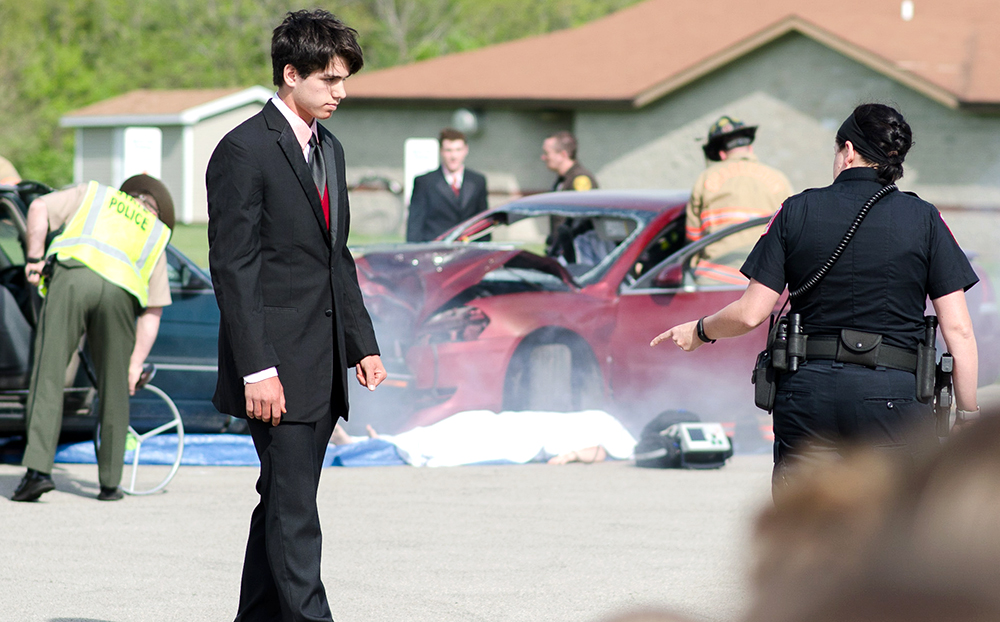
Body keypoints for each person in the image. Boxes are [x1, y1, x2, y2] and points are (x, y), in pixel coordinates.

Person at [651, 103, 980, 492]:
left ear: (849, 150)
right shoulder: (925, 218)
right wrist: (967, 412)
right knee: (892, 534)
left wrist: (700, 330)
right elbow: (957, 328)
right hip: (894, 397)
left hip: (809, 395)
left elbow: (751, 313)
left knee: (805, 534)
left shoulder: (795, 210)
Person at [206, 10, 386, 622]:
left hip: (323, 361)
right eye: (329, 80)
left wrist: (362, 343)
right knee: (295, 517)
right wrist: (258, 369)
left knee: (283, 503)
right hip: (275, 372)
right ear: (291, 73)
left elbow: (337, 256)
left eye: (344, 80)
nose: (341, 92)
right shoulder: (243, 150)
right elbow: (234, 269)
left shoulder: (329, 149)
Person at [12, 174, 174, 502]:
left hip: (73, 278)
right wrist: (135, 365)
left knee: (49, 374)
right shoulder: (156, 233)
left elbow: (39, 206)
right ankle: (110, 484)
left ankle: (38, 473)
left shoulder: (95, 195)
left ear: (128, 194)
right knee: (114, 388)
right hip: (120, 297)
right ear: (155, 210)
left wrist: (34, 257)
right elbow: (153, 312)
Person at [686, 115, 792, 285]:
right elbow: (791, 235)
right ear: (749, 148)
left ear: (721, 154)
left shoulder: (705, 179)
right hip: (762, 282)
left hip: (715, 280)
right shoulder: (779, 180)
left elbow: (693, 238)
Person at [330, 410, 636, 468]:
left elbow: (597, 450)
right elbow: (598, 450)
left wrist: (571, 455)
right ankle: (364, 443)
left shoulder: (606, 425)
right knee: (437, 442)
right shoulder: (608, 428)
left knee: (436, 441)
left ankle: (361, 442)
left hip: (509, 429)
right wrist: (572, 456)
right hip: (511, 431)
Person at [405, 128, 488, 242]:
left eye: (458, 150)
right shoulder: (425, 182)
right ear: (441, 151)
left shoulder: (477, 181)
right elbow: (415, 225)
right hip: (435, 250)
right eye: (448, 150)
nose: (453, 156)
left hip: (468, 252)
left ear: (466, 150)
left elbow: (483, 222)